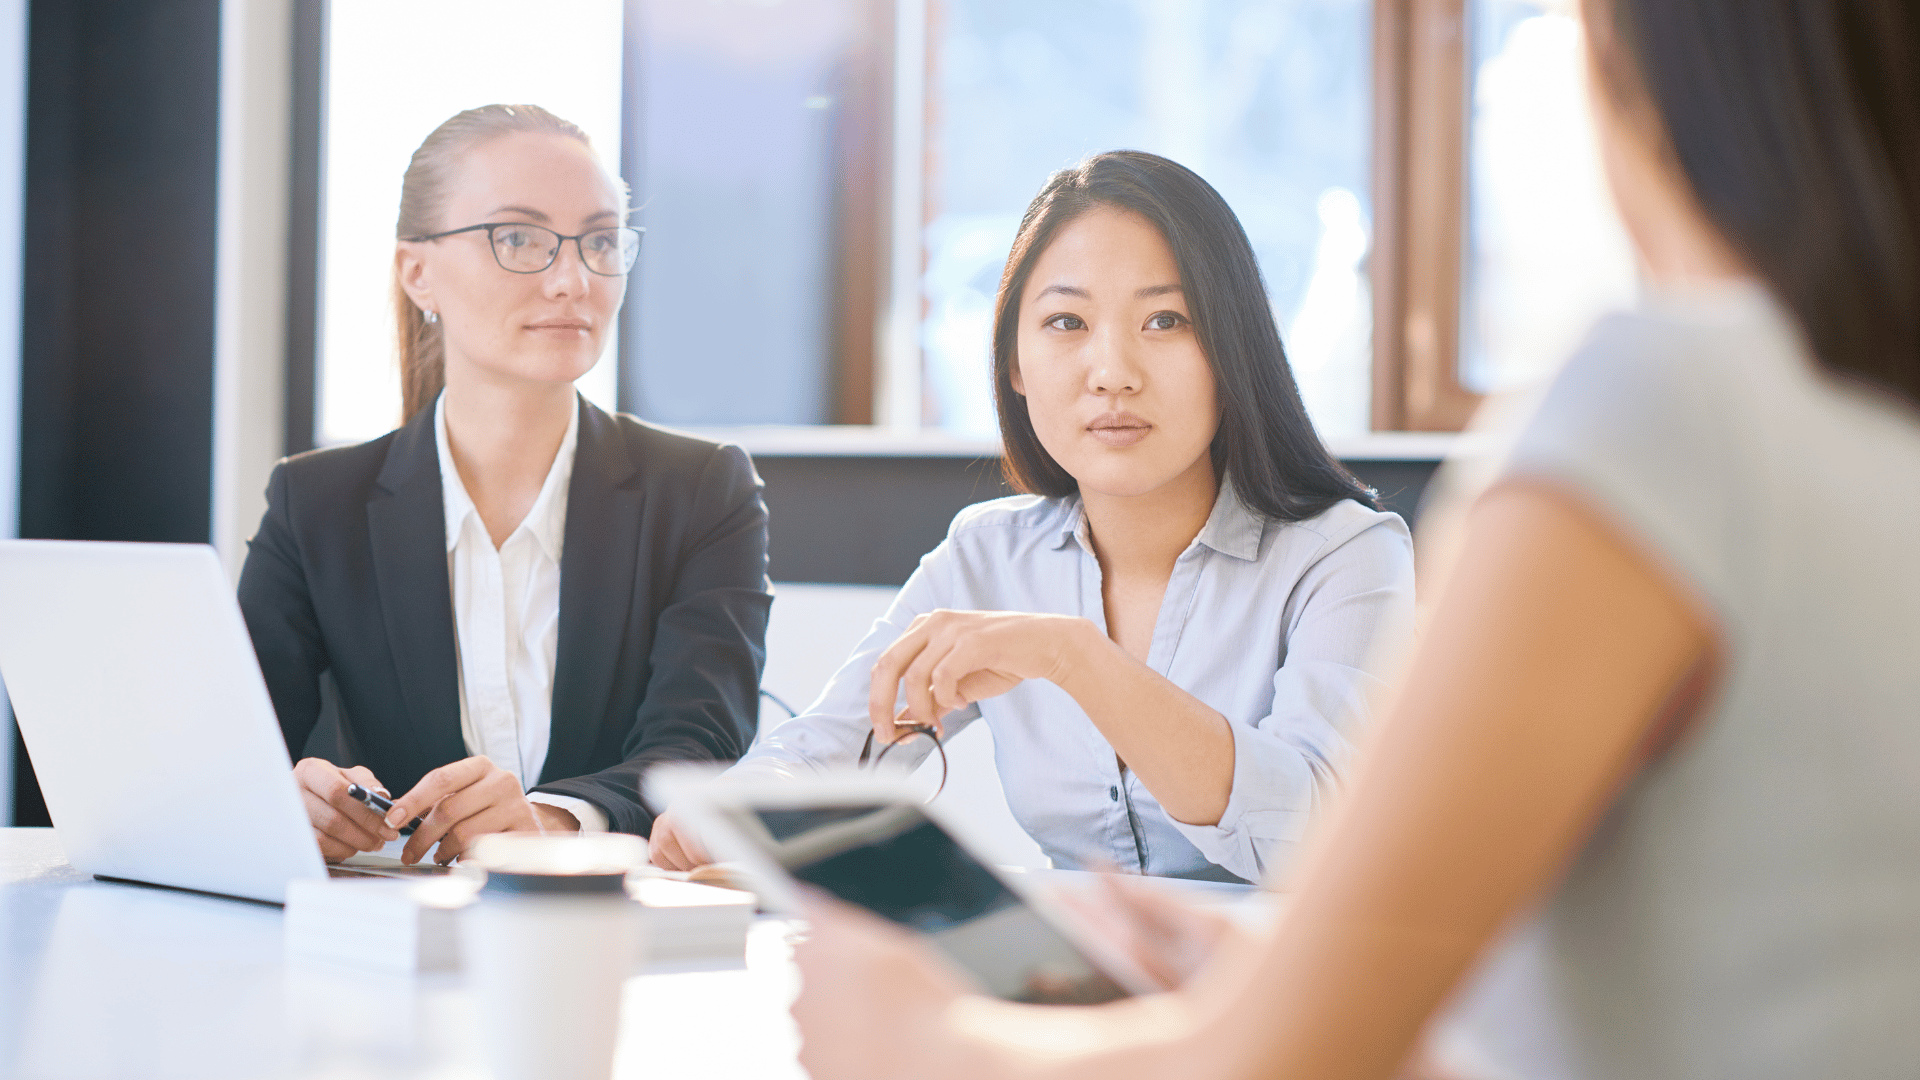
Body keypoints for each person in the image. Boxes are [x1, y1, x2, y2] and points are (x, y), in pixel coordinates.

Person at [785, 0, 1920, 1077]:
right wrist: (1285, 976)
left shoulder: (1666, 407)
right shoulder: (1866, 429)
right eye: (1066, 323)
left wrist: (925, 1045)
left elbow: (1274, 1064)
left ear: (1637, 69)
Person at [650, 151, 1416, 883]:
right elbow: (829, 745)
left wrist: (1078, 658)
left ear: (1234, 349)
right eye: (1066, 324)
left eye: (1166, 322)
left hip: (1278, 992)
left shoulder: (1347, 556)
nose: (1112, 373)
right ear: (1014, 363)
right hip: (1061, 985)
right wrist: (739, 808)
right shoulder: (987, 555)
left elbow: (1318, 836)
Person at [239, 105, 771, 866]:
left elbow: (697, 750)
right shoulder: (315, 504)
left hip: (610, 933)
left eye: (598, 241)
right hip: (384, 932)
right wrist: (293, 802)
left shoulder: (701, 491)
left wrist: (551, 821)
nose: (572, 280)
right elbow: (242, 749)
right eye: (518, 238)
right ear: (418, 271)